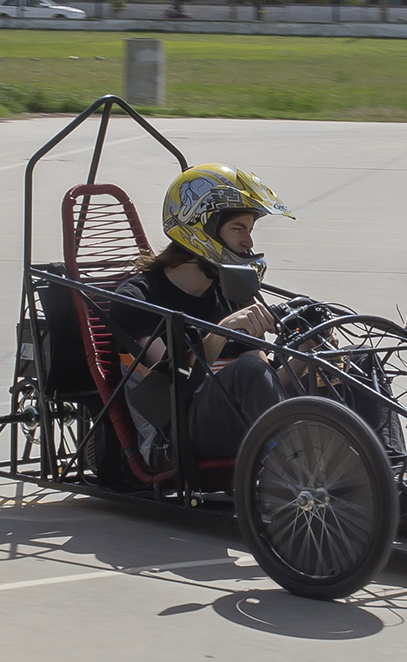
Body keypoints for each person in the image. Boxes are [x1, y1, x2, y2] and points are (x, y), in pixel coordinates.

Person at [106, 163, 294, 462]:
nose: (248, 242)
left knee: (351, 364)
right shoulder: (138, 298)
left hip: (231, 420)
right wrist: (220, 332)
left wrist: (306, 359)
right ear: (199, 227)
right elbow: (172, 379)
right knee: (247, 369)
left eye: (249, 230)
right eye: (238, 228)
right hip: (173, 436)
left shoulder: (231, 294)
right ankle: (301, 465)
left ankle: (371, 473)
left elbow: (266, 385)